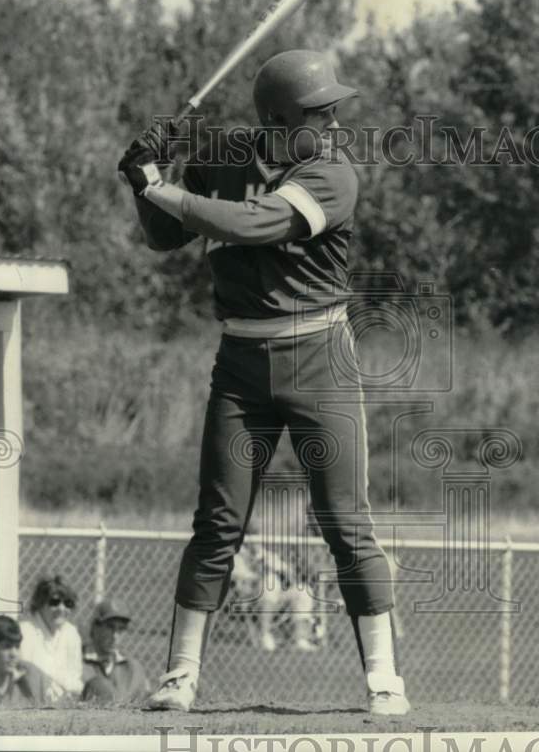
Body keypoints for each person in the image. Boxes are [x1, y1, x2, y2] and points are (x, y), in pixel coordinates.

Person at [117, 49, 407, 715]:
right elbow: (165, 234)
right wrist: (143, 176)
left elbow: (252, 224)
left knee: (344, 521)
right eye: (320, 111)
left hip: (320, 361)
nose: (334, 120)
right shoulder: (222, 154)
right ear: (279, 117)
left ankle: (384, 678)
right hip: (241, 366)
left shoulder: (332, 171)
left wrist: (161, 186)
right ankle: (181, 676)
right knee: (218, 524)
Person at [17, 575, 84, 700]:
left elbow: (75, 678)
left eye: (68, 603)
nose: (61, 609)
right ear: (40, 603)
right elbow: (27, 676)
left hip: (64, 699)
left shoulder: (71, 632)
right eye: (54, 602)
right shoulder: (24, 631)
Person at [81, 599, 149, 704]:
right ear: (95, 627)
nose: (115, 636)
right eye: (110, 627)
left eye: (121, 629)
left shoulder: (132, 668)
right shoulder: (78, 659)